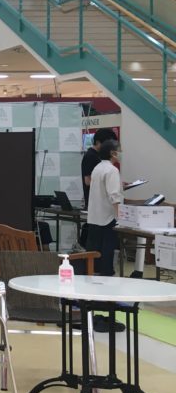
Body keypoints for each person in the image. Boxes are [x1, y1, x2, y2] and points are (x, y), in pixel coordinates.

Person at [86, 140, 126, 332]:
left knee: (94, 264)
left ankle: (95, 305)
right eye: (119, 150)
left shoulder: (97, 168)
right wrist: (121, 219)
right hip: (108, 220)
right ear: (112, 153)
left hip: (94, 219)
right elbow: (114, 196)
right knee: (107, 266)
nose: (120, 153)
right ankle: (108, 307)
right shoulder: (112, 170)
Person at [82, 128, 118, 206]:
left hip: (102, 202)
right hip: (95, 202)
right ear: (98, 142)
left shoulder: (99, 156)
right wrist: (110, 184)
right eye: (107, 144)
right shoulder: (90, 156)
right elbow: (88, 181)